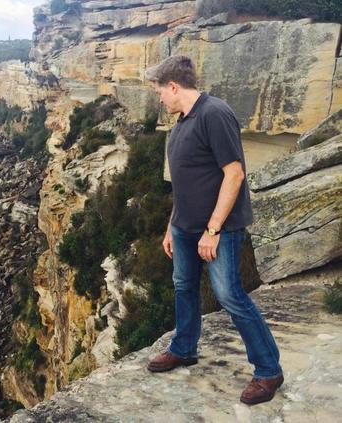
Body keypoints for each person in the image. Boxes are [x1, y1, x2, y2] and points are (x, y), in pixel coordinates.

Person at [142, 55, 284, 405]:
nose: (160, 98)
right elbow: (184, 184)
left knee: (229, 295)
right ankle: (184, 349)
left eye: (160, 91)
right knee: (184, 286)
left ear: (174, 87)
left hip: (218, 229)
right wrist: (170, 227)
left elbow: (234, 174)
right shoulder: (181, 124)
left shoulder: (214, 114)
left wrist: (213, 229)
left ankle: (268, 370)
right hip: (184, 228)